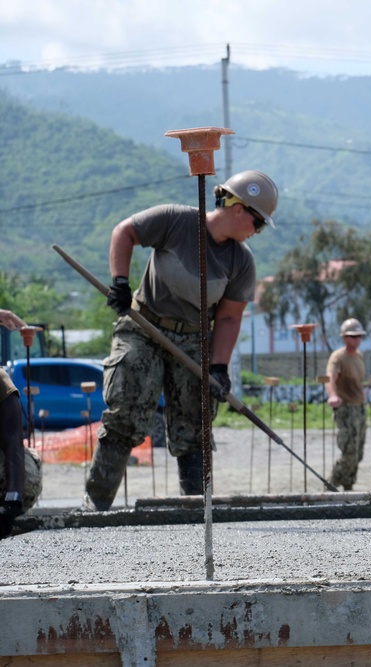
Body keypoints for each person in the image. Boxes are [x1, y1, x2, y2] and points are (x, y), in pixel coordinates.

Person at [87, 170, 278, 510]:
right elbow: (125, 232)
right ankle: (95, 505)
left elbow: (229, 317)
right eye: (258, 222)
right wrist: (119, 281)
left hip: (192, 339)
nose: (258, 231)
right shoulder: (176, 220)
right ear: (238, 209)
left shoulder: (241, 261)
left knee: (195, 424)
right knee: (126, 411)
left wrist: (218, 368)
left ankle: (195, 510)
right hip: (144, 326)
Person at [0, 309, 43, 538]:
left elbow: (13, 443)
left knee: (28, 473)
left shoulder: (0, 381)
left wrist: (12, 501)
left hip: (5, 472)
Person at [326, 318, 367, 491]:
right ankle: (331, 484)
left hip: (359, 407)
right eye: (352, 336)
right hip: (345, 408)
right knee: (349, 450)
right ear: (344, 337)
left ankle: (348, 485)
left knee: (358, 452)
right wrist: (333, 395)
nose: (356, 340)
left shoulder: (359, 356)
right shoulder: (338, 357)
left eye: (359, 336)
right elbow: (330, 378)